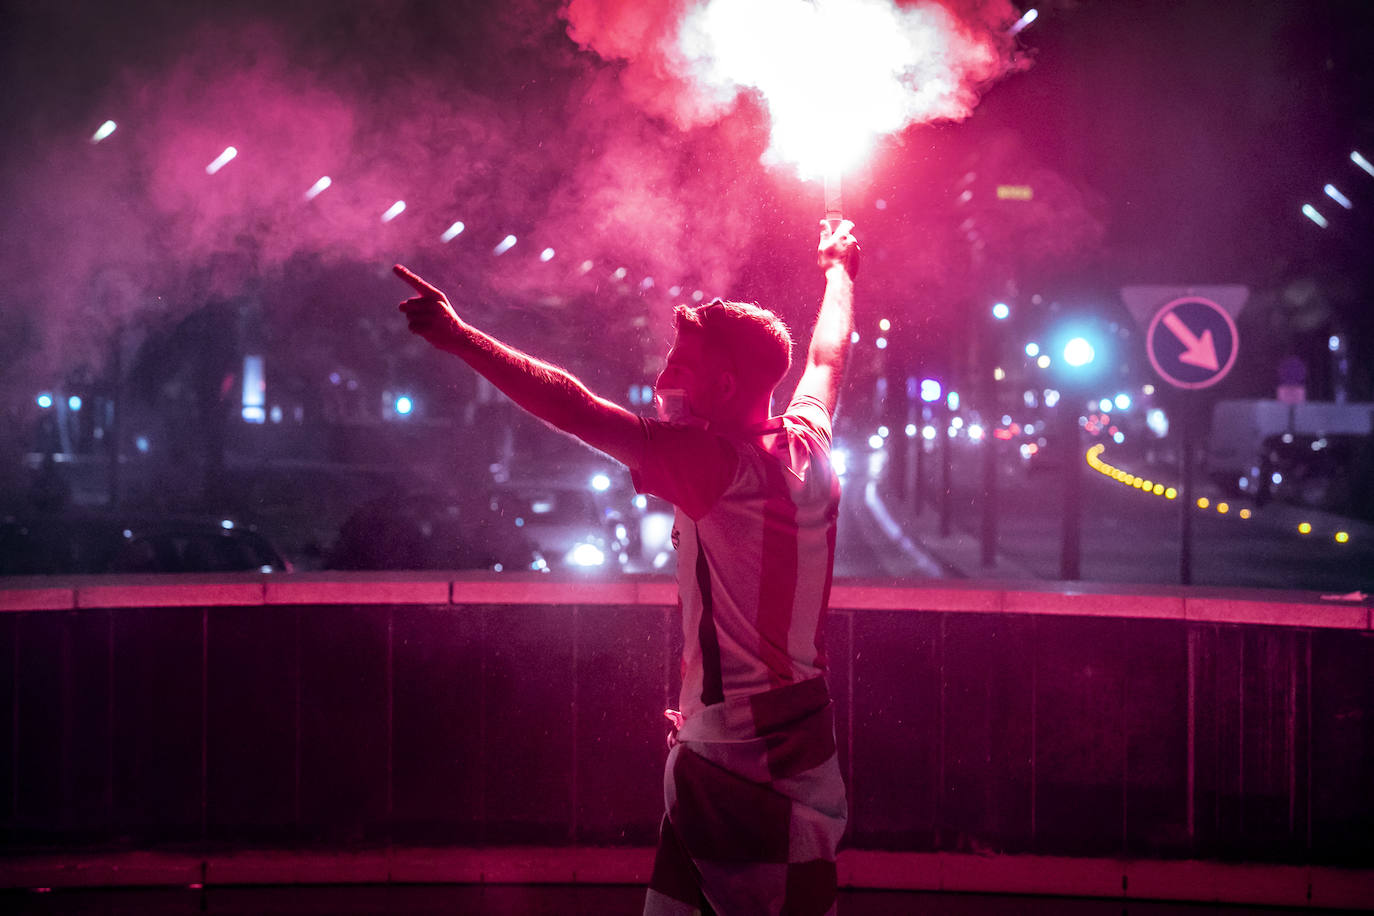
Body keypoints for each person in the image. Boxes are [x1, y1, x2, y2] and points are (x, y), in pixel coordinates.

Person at [396, 219, 859, 915]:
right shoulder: (810, 439)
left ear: (728, 385)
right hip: (790, 747)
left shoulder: (716, 465)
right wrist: (841, 272)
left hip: (740, 768)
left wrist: (460, 337)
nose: (663, 379)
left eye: (682, 367)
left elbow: (575, 408)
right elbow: (827, 356)